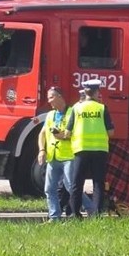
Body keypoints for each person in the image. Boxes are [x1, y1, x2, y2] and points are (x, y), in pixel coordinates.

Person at [38, 87, 93, 221]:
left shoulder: (72, 113)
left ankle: (91, 209)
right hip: (53, 156)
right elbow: (42, 133)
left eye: (51, 97)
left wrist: (63, 136)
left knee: (70, 187)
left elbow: (78, 134)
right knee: (49, 189)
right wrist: (42, 150)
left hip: (69, 156)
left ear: (60, 96)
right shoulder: (50, 115)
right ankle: (54, 216)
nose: (49, 101)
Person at [63, 79, 114, 217]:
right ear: (97, 92)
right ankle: (96, 214)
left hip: (81, 149)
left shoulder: (76, 108)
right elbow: (111, 132)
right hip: (100, 150)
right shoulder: (102, 108)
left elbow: (67, 133)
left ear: (85, 93)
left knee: (77, 183)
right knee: (98, 183)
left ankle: (75, 213)